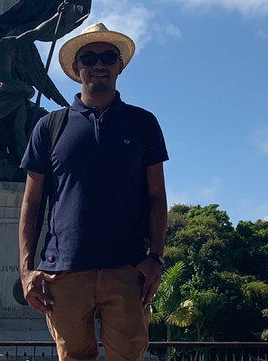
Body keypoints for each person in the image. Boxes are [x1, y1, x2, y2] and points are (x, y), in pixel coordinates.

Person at [18, 23, 168, 361]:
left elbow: (157, 196)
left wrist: (155, 257)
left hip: (127, 269)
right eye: (89, 58)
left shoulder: (143, 124)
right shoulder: (50, 126)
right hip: (64, 270)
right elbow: (32, 201)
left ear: (120, 66)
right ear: (76, 68)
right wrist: (26, 269)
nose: (98, 64)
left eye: (108, 57)